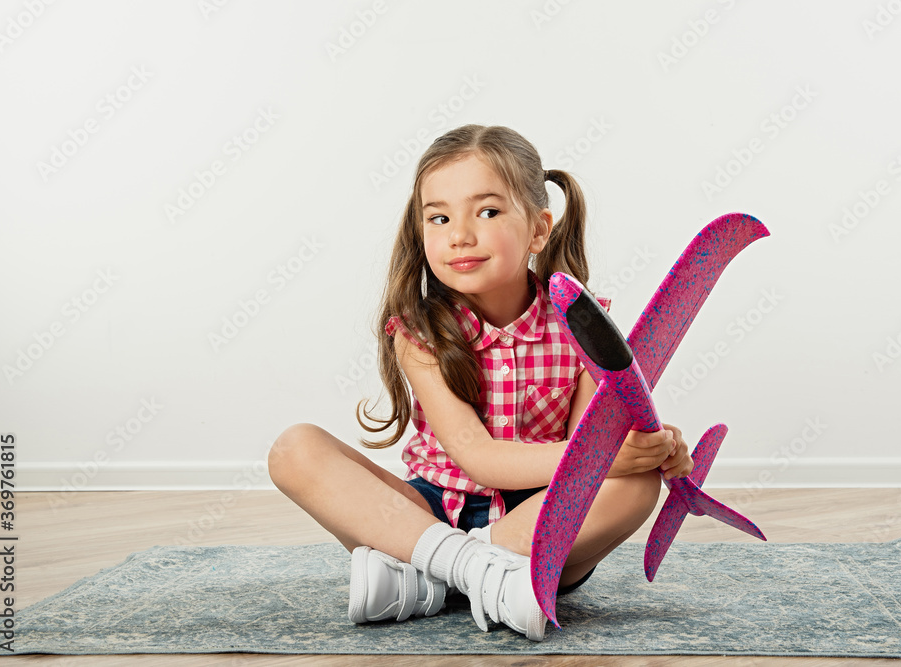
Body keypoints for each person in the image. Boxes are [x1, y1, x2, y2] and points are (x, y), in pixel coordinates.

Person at [267, 124, 693, 641]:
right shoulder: (420, 333)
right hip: (426, 514)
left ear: (538, 230)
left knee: (637, 486)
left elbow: (592, 448)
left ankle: (428, 577)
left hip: (539, 521)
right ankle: (476, 573)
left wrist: (641, 448)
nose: (459, 234)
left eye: (487, 212)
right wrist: (598, 452)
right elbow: (480, 458)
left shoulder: (582, 326)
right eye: (439, 217)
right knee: (295, 450)